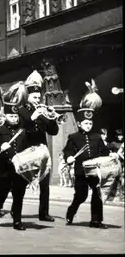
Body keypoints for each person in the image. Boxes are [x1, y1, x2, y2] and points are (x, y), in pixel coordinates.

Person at [64, 79, 119, 228]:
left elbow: (104, 151)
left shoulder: (96, 137)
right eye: (85, 123)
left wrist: (111, 155)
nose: (88, 125)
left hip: (96, 171)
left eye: (90, 123)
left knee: (98, 194)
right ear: (80, 124)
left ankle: (96, 220)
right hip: (81, 171)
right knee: (81, 195)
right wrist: (69, 157)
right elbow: (68, 150)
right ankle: (71, 211)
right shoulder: (74, 137)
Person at [17, 70, 58, 222]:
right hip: (26, 150)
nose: (37, 100)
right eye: (34, 97)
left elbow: (53, 131)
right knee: (21, 184)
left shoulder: (42, 111)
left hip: (41, 151)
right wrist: (34, 117)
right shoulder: (21, 110)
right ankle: (17, 213)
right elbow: (24, 127)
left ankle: (44, 212)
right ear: (27, 97)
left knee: (45, 183)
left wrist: (52, 117)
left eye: (39, 97)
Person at [0, 82, 29, 230]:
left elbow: (26, 148)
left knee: (19, 195)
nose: (14, 118)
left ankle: (17, 221)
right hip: (3, 169)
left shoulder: (23, 131)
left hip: (18, 169)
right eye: (10, 116)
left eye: (16, 116)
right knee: (2, 194)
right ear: (5, 115)